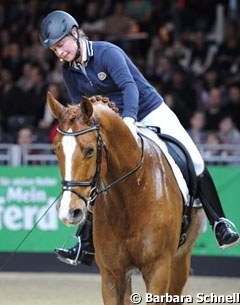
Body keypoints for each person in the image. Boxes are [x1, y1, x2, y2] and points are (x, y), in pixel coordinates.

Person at [39, 10, 239, 266]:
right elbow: (82, 112)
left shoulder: (107, 52)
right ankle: (85, 243)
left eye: (61, 45)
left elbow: (129, 87)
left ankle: (220, 223)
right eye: (54, 50)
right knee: (96, 172)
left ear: (75, 33)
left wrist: (130, 120)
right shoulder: (69, 72)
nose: (59, 53)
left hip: (147, 110)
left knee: (195, 159)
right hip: (113, 125)